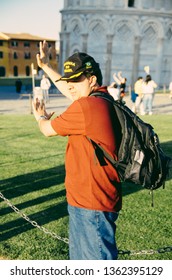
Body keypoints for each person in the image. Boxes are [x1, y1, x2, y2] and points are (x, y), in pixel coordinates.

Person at [32, 41, 122, 260]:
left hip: (91, 204)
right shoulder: (101, 100)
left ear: (92, 79)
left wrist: (41, 118)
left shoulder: (87, 107)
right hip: (90, 200)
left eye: (76, 79)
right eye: (68, 80)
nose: (70, 85)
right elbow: (72, 91)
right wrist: (45, 66)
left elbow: (47, 130)